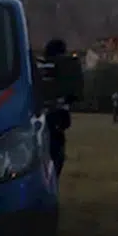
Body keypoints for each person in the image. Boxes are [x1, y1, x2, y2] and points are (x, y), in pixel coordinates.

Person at [40, 39, 74, 180]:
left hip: (41, 115)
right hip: (57, 116)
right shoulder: (66, 68)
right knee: (56, 155)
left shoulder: (41, 67)